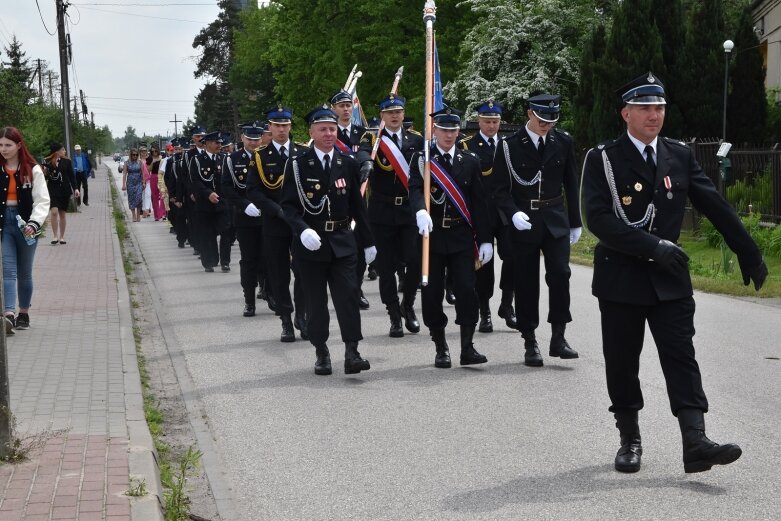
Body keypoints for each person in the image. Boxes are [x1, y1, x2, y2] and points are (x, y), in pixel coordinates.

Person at [582, 72, 768, 474]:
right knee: (622, 361)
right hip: (622, 278)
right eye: (646, 108)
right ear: (626, 113)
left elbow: (714, 204)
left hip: (670, 280)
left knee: (681, 357)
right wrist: (652, 246)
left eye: (660, 108)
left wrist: (748, 251)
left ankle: (695, 441)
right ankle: (630, 438)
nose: (655, 115)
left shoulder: (677, 155)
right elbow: (596, 218)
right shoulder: (603, 158)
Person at [280, 105, 375, 376]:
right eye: (323, 129)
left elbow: (359, 206)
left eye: (332, 129)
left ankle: (352, 352)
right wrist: (301, 230)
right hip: (312, 244)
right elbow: (288, 206)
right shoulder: (298, 165)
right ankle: (321, 351)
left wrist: (368, 241)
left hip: (344, 241)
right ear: (311, 132)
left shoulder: (348, 163)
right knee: (316, 302)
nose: (329, 134)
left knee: (348, 298)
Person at [488, 94, 581, 367]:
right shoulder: (509, 145)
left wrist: (575, 220)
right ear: (529, 113)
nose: (546, 125)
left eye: (551, 121)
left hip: (554, 218)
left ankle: (559, 336)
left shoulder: (562, 141)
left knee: (561, 274)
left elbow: (572, 182)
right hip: (524, 219)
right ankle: (529, 340)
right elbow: (498, 189)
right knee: (526, 281)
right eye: (541, 120)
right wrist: (512, 212)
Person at [408, 107, 493, 369]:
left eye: (454, 130)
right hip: (431, 237)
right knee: (432, 292)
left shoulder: (469, 160)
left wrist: (486, 239)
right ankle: (440, 346)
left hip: (461, 235)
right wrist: (420, 211)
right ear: (435, 130)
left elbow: (479, 202)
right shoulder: (423, 159)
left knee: (467, 289)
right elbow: (413, 189)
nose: (449, 135)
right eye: (444, 130)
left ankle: (467, 347)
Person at [356, 93, 424, 337]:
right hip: (382, 212)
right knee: (385, 267)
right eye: (389, 112)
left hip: (408, 210)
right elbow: (362, 152)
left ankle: (409, 305)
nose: (395, 116)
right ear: (382, 115)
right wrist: (365, 163)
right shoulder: (373, 138)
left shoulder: (416, 139)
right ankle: (394, 313)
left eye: (398, 112)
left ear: (403, 114)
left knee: (414, 259)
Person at [246, 109, 308, 340]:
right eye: (276, 126)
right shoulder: (261, 155)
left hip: (300, 224)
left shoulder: (302, 151)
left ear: (291, 126)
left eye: (285, 125)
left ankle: (301, 314)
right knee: (279, 274)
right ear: (269, 128)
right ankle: (286, 320)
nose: (281, 130)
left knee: (303, 271)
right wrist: (275, 210)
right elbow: (253, 190)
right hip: (275, 223)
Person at [459, 100, 516, 332]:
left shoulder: (507, 145)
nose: (491, 126)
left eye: (495, 121)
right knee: (484, 263)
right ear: (478, 121)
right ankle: (485, 311)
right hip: (479, 212)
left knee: (512, 257)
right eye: (487, 121)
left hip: (503, 212)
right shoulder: (467, 146)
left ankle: (507, 303)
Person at [0, 127, 51, 333]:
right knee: (8, 271)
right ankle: (9, 315)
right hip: (5, 225)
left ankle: (24, 313)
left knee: (25, 272)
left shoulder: (32, 169)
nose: (3, 149)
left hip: (27, 225)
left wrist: (34, 223)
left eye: (8, 145)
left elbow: (42, 200)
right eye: (1, 145)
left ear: (18, 145)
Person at [331, 90, 372, 311]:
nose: (346, 109)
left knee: (359, 243)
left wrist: (365, 161)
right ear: (334, 109)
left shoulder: (362, 132)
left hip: (360, 194)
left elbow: (366, 150)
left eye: (349, 105)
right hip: (338, 196)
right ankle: (343, 287)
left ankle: (356, 289)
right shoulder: (329, 132)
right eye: (341, 106)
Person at [189, 131, 226, 272]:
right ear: (208, 144)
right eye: (217, 143)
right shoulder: (197, 160)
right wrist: (208, 193)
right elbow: (195, 181)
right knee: (207, 234)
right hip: (204, 204)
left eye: (221, 143)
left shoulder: (224, 158)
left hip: (223, 203)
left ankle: (225, 261)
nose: (219, 145)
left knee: (226, 232)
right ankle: (209, 261)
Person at [43, 143, 78, 244]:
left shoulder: (67, 161)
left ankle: (62, 237)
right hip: (53, 190)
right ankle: (54, 236)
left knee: (62, 214)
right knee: (54, 212)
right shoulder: (48, 162)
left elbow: (71, 176)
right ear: (57, 151)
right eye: (62, 150)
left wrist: (76, 188)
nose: (64, 151)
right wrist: (45, 172)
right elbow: (45, 178)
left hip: (64, 190)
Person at [122, 148, 144, 222]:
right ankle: (133, 215)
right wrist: (123, 184)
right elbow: (124, 174)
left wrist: (143, 182)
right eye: (133, 155)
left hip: (138, 182)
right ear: (130, 155)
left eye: (136, 155)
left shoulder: (140, 162)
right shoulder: (127, 163)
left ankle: (138, 214)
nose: (135, 156)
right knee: (131, 199)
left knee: (139, 198)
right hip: (130, 182)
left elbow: (142, 173)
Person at [148, 143, 166, 221]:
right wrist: (153, 161)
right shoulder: (150, 158)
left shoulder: (162, 157)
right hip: (153, 177)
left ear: (158, 150)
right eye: (153, 151)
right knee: (154, 196)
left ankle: (163, 213)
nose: (154, 152)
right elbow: (149, 169)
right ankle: (156, 215)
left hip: (161, 177)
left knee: (163, 195)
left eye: (155, 151)